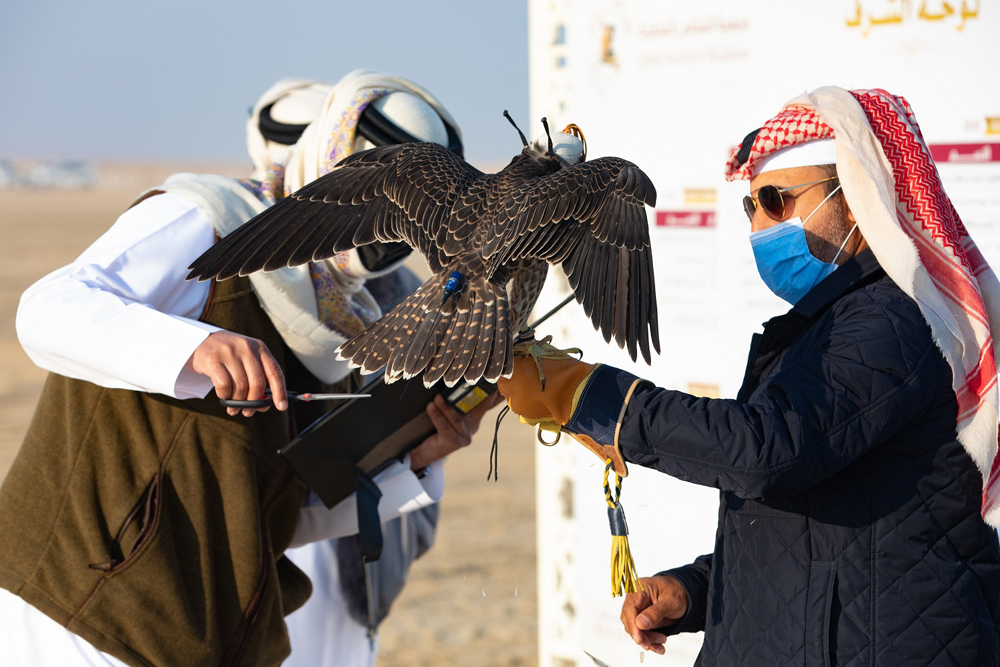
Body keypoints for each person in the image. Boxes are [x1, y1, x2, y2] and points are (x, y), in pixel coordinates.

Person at [0, 70, 497, 667]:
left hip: (207, 641)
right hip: (80, 615)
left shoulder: (340, 317)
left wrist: (411, 460)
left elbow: (278, 511)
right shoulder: (207, 221)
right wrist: (192, 348)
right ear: (335, 159)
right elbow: (48, 310)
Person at [498, 86, 1000, 665]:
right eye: (750, 206)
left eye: (775, 200)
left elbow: (768, 448)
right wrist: (696, 590)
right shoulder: (824, 326)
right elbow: (826, 534)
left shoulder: (898, 319)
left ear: (859, 197)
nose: (759, 223)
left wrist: (590, 396)